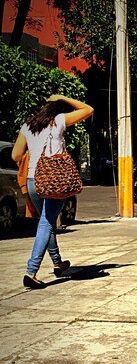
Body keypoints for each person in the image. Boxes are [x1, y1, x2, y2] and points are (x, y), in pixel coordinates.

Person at [11, 93, 94, 289]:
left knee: (45, 222)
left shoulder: (28, 126)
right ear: (57, 109)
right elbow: (88, 109)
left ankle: (57, 263)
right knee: (47, 223)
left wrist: (34, 158)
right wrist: (64, 98)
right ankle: (31, 272)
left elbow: (16, 155)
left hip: (33, 180)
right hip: (53, 181)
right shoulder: (58, 120)